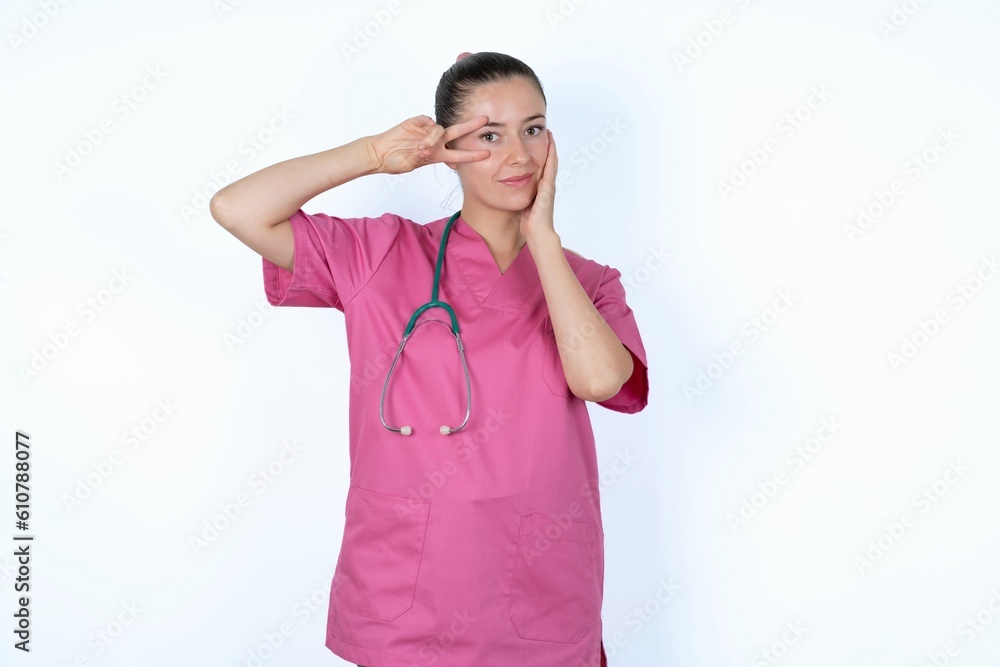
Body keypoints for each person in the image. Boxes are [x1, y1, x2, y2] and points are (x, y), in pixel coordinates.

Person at [211, 51, 648, 667]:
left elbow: (604, 380)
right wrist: (372, 154)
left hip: (540, 595)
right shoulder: (378, 253)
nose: (519, 155)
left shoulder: (589, 283)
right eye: (489, 136)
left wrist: (542, 240)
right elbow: (237, 208)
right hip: (408, 599)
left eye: (534, 128)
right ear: (448, 145)